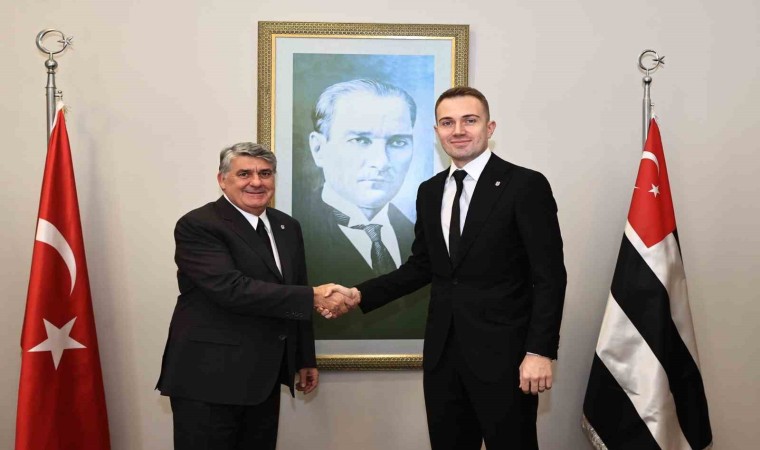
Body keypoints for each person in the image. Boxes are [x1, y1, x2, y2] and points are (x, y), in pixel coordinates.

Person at [339, 87, 567, 449]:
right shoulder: (429, 191)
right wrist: (358, 294)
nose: (458, 130)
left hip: (506, 357)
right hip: (443, 357)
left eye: (469, 120)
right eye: (447, 123)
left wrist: (539, 352)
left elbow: (550, 277)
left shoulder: (525, 185)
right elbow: (422, 267)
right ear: (436, 132)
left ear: (489, 127)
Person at [156, 142, 357, 450]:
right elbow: (231, 289)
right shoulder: (199, 225)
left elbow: (296, 286)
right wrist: (314, 296)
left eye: (265, 173)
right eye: (244, 174)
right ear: (222, 179)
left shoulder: (286, 226)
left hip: (264, 376)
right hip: (208, 379)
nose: (256, 182)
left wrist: (303, 357)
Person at [296, 79, 428, 338]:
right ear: (318, 148)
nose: (381, 162)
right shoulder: (293, 232)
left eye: (398, 142)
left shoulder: (419, 235)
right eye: (360, 140)